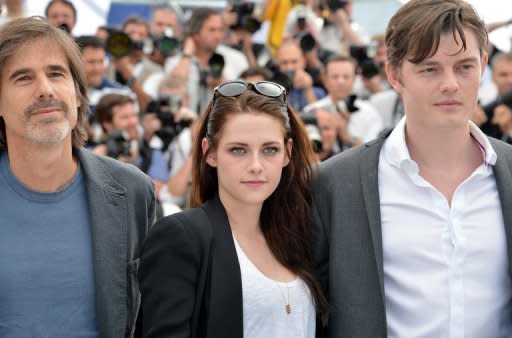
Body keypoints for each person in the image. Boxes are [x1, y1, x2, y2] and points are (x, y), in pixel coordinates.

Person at [312, 0, 512, 337]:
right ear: (394, 74)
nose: (450, 84)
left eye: (464, 67)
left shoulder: (508, 172)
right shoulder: (334, 184)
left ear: (483, 65)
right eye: (429, 69)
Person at [0, 17, 155, 336]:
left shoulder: (132, 191)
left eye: (56, 73)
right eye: (23, 78)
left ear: (79, 94)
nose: (44, 90)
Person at [138, 80, 329, 337]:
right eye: (238, 150)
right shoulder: (181, 236)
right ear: (210, 152)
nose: (256, 165)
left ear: (287, 152)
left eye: (270, 149)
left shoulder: (302, 234)